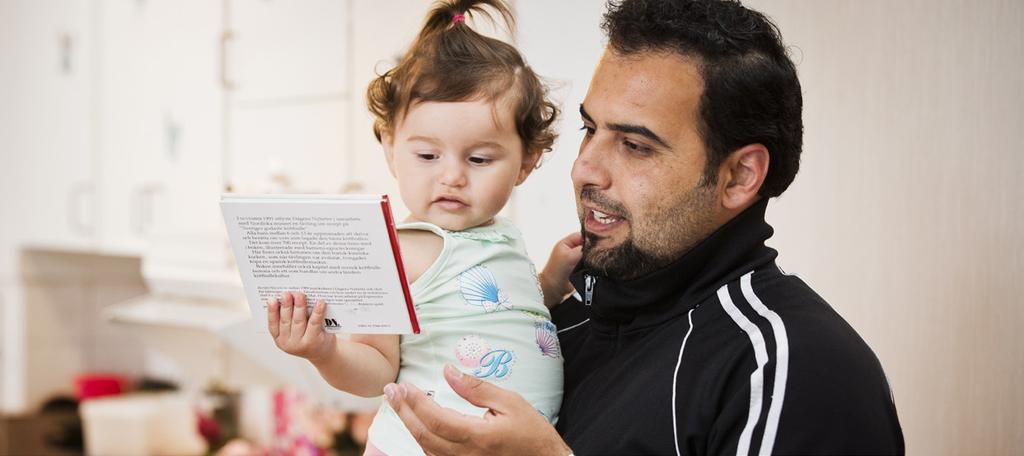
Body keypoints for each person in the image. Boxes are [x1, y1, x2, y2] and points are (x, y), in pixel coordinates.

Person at [382, 0, 906, 455]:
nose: (585, 167)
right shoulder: (558, 324)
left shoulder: (793, 368)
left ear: (739, 175)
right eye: (590, 129)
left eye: (635, 146)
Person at [264, 1, 570, 455]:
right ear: (391, 148)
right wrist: (323, 351)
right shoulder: (397, 250)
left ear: (526, 161)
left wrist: (549, 280)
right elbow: (377, 368)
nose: (452, 176)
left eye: (479, 159)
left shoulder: (499, 233)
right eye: (427, 156)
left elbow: (501, 316)